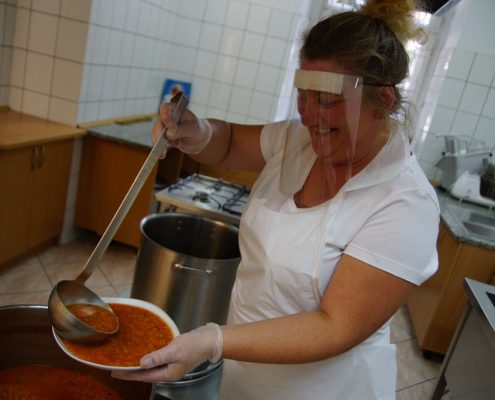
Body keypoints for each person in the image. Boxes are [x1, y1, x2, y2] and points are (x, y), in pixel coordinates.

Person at [113, 0, 440, 398]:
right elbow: (228, 142)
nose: (309, 115)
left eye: (327, 100)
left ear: (383, 100)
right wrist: (196, 131)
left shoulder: (406, 205)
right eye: (304, 95)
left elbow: (335, 325)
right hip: (245, 374)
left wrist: (212, 341)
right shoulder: (297, 141)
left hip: (324, 390)